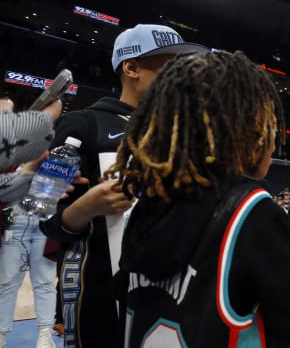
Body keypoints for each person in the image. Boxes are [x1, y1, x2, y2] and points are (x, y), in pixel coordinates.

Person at [106, 50, 290, 347]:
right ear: (244, 130)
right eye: (267, 123)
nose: (274, 138)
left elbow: (121, 291)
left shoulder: (150, 202)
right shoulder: (253, 210)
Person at [39, 24, 208, 348]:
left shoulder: (183, 137)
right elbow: (44, 214)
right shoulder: (82, 125)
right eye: (170, 66)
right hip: (101, 298)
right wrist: (87, 206)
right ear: (131, 68)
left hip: (171, 292)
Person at [0, 99, 65, 348]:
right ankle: (2, 334)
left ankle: (45, 335)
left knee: (46, 283)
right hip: (13, 221)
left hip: (42, 222)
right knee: (6, 283)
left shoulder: (57, 150)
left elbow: (57, 191)